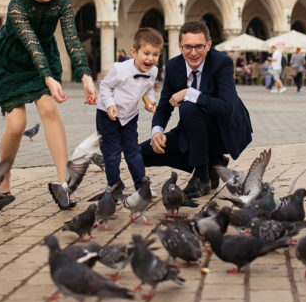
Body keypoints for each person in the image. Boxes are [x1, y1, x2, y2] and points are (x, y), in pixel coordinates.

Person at [0, 0, 97, 211]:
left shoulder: (63, 4)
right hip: (10, 65)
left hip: (43, 61)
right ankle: (3, 176)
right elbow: (31, 43)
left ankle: (62, 184)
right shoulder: (17, 5)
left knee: (49, 109)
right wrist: (48, 77)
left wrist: (85, 75)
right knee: (17, 125)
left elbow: (71, 39)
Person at [139, 20, 252, 197]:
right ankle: (212, 163)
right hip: (193, 131)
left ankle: (201, 177)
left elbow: (226, 107)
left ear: (209, 45)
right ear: (180, 46)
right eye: (188, 47)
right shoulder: (173, 66)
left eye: (199, 46)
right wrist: (156, 131)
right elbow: (163, 108)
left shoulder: (222, 63)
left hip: (224, 130)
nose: (193, 53)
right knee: (140, 154)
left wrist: (188, 93)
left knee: (188, 108)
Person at [96, 27, 162, 193]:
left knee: (133, 151)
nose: (150, 58)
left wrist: (150, 102)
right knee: (112, 153)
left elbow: (148, 89)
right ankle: (114, 186)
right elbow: (105, 87)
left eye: (155, 54)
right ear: (134, 52)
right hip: (107, 115)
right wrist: (110, 105)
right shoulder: (120, 70)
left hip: (130, 115)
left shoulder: (153, 71)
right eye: (146, 53)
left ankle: (141, 185)